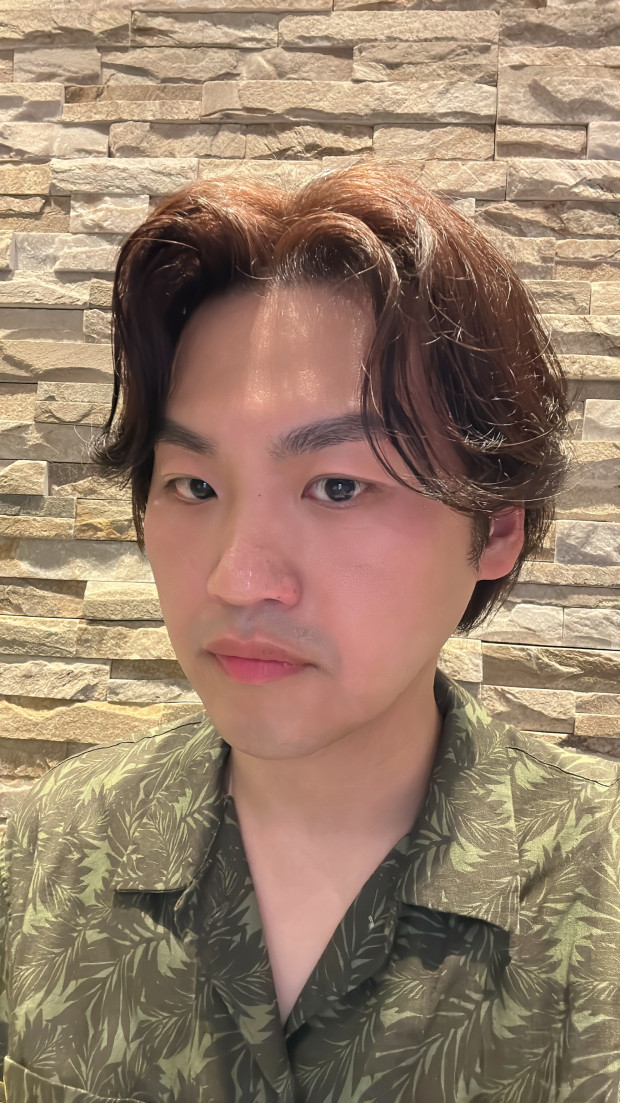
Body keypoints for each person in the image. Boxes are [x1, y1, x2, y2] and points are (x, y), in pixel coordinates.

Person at [0, 160, 618, 1103]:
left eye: (337, 485)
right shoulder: (46, 848)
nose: (237, 580)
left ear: (496, 527)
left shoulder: (597, 888)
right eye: (194, 485)